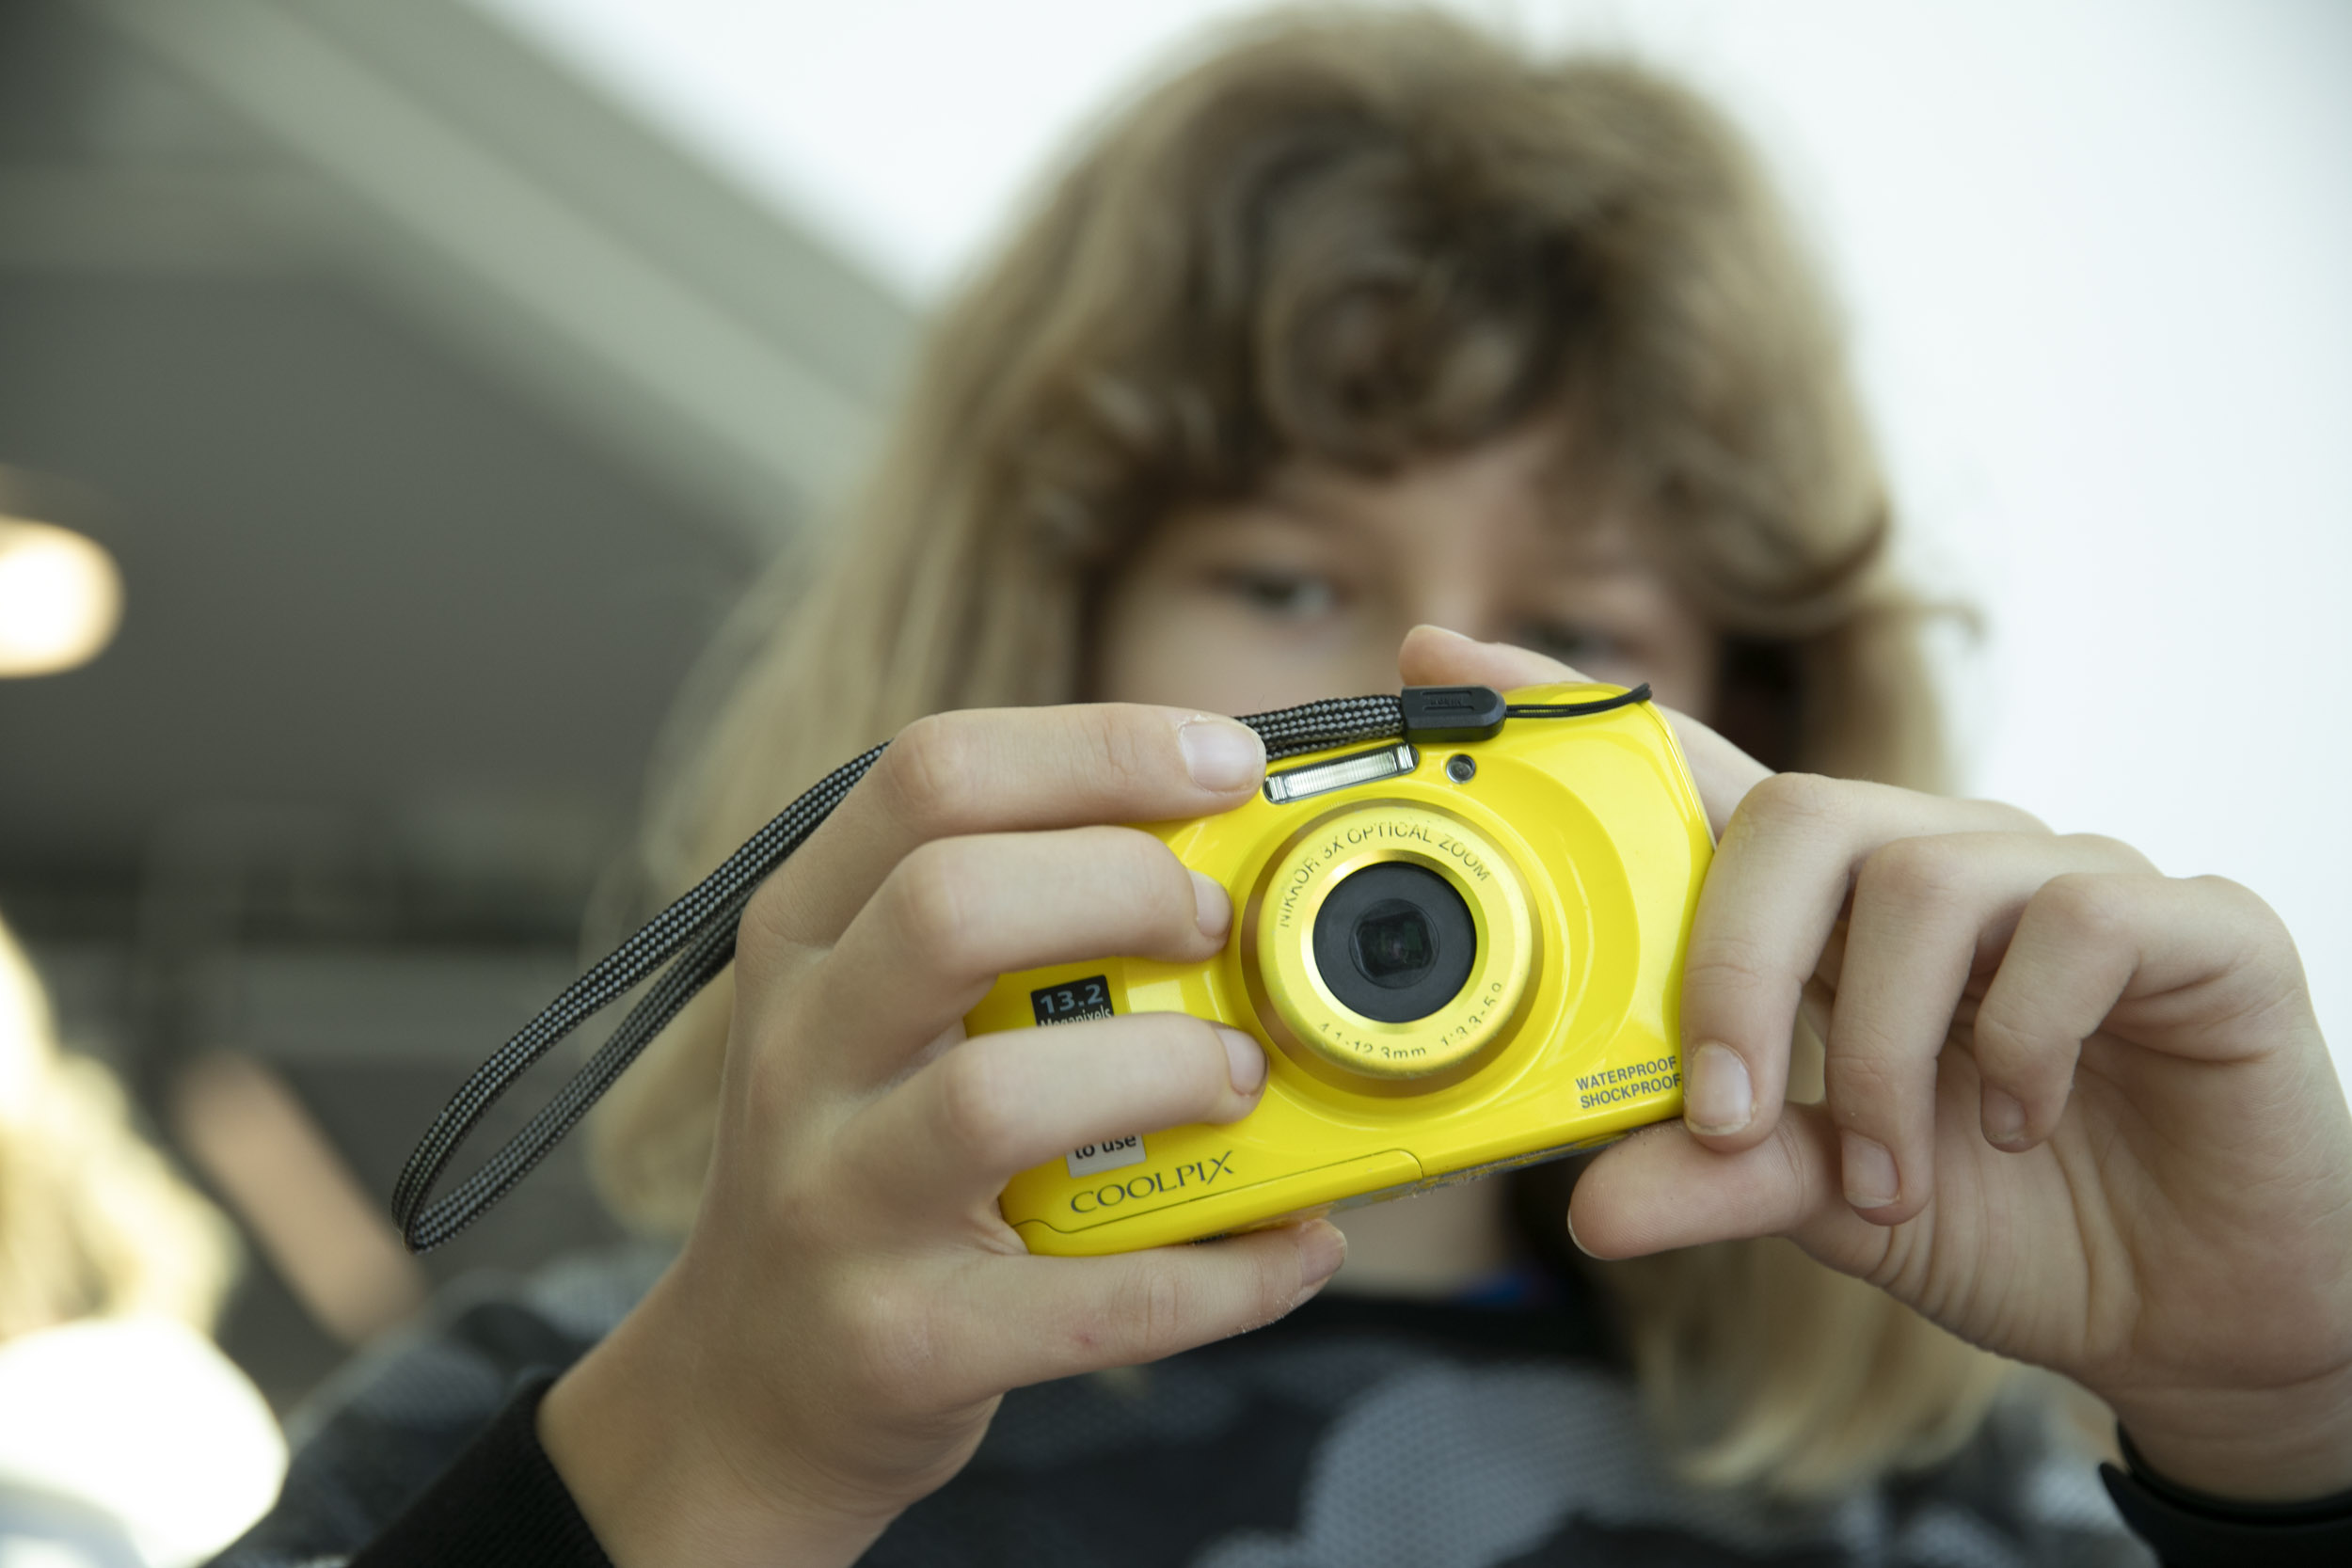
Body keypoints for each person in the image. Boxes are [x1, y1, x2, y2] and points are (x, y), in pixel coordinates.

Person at [215, 11, 2352, 1566]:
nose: (1400, 705)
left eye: (1575, 630)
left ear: (1743, 751)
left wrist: (2283, 1425)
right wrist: (700, 1475)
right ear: (1033, 651)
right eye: (1283, 576)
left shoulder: (1948, 1505)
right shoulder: (585, 1411)